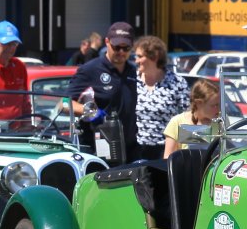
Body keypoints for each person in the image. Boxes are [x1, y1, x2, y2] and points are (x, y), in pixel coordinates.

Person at [68, 21, 136, 163]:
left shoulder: (135, 71)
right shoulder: (90, 70)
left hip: (132, 148)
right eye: (116, 47)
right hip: (99, 147)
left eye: (126, 48)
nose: (121, 52)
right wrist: (91, 112)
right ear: (107, 42)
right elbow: (63, 103)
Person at [131, 36, 189, 162]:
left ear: (155, 57)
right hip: (135, 151)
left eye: (140, 56)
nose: (136, 60)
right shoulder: (132, 80)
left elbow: (188, 118)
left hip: (166, 151)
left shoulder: (177, 82)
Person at [164, 77, 220, 156]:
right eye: (214, 105)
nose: (218, 109)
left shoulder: (220, 122)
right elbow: (168, 157)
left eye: (219, 104)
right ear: (199, 103)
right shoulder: (177, 122)